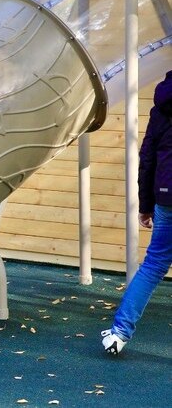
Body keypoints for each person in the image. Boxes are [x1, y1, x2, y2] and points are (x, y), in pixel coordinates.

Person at [101, 70, 172, 356]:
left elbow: (148, 159)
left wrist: (145, 206)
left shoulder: (160, 109)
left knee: (153, 266)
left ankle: (119, 334)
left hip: (167, 198)